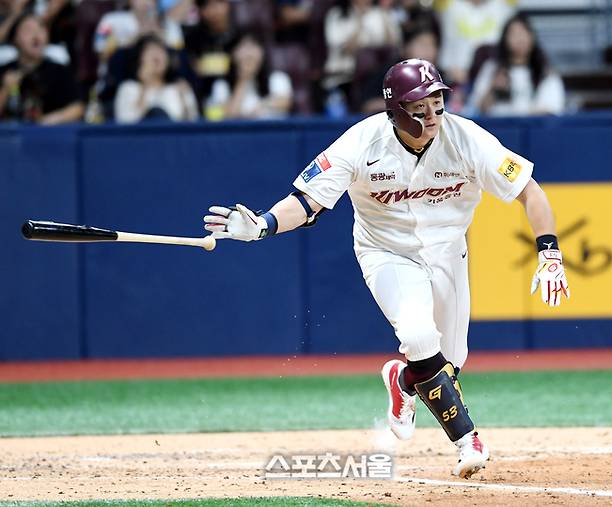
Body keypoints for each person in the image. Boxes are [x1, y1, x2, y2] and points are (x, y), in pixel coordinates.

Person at [202, 58, 570, 478]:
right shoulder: (361, 142)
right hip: (386, 252)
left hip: (449, 251)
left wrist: (549, 252)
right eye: (419, 108)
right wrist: (263, 225)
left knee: (449, 362)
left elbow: (530, 192)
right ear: (395, 111)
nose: (432, 115)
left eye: (437, 103)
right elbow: (308, 203)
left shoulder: (467, 138)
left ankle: (403, 379)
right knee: (418, 335)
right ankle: (468, 440)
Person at [467, 13, 566, 116]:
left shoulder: (545, 72)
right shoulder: (492, 68)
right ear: (505, 39)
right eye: (514, 34)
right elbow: (477, 109)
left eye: (524, 33)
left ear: (532, 37)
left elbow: (552, 109)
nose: (520, 39)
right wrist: (493, 89)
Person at [0, 13, 83, 123]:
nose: (36, 35)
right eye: (28, 30)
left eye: (41, 28)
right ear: (15, 39)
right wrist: (5, 90)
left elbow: (78, 108)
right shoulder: (4, 71)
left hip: (49, 136)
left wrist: (46, 121)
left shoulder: (60, 72)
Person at [205, 31, 292, 120]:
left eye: (253, 47)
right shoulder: (221, 85)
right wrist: (243, 80)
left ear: (262, 52)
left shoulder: (278, 78)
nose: (249, 53)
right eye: (244, 47)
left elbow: (285, 103)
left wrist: (261, 106)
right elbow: (228, 117)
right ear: (233, 54)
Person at [114, 34, 197, 123]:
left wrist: (184, 99)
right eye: (150, 51)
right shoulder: (128, 88)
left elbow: (193, 122)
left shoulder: (179, 88)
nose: (157, 54)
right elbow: (125, 122)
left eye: (161, 51)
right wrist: (144, 87)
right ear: (140, 59)